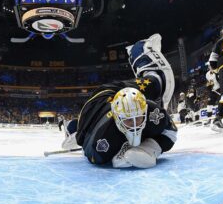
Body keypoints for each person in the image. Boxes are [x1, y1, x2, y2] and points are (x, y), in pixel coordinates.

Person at [62, 34, 177, 168]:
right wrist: (121, 149)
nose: (134, 125)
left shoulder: (152, 110)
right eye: (128, 120)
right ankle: (73, 129)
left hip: (113, 104)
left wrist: (151, 147)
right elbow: (90, 153)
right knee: (81, 136)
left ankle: (138, 48)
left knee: (156, 79)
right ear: (117, 117)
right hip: (101, 99)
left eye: (138, 118)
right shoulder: (100, 143)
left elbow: (171, 132)